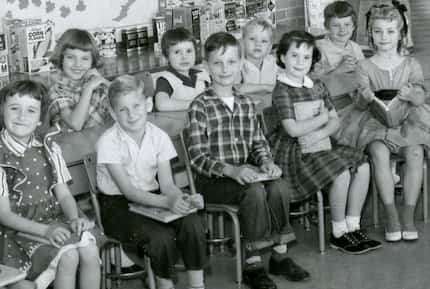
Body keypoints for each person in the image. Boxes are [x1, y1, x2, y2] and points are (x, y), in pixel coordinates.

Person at [187, 32, 310, 289]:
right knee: (254, 191)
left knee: (278, 186)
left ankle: (279, 256)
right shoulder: (200, 106)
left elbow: (257, 143)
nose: (224, 69)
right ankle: (253, 264)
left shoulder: (245, 103)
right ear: (207, 67)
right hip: (213, 180)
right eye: (217, 63)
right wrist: (231, 170)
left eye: (231, 62)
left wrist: (266, 162)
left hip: (246, 172)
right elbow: (198, 157)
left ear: (240, 64)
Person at [268, 30, 382, 255]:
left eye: (307, 57)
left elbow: (335, 121)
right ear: (282, 58)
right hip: (295, 152)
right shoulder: (282, 89)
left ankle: (353, 225)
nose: (301, 62)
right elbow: (292, 129)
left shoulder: (317, 85)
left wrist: (321, 133)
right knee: (341, 171)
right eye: (294, 56)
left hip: (321, 143)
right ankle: (338, 232)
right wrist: (321, 119)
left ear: (313, 60)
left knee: (363, 164)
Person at [96, 74, 207, 289]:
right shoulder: (108, 142)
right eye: (123, 109)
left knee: (192, 223)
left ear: (148, 104)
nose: (131, 114)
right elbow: (129, 192)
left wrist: (182, 199)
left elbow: (166, 184)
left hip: (154, 196)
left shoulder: (159, 136)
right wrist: (167, 202)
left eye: (136, 106)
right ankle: (165, 286)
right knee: (161, 237)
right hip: (117, 206)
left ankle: (198, 285)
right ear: (112, 112)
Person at [335, 5, 428, 242]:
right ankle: (391, 215)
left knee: (416, 153)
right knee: (378, 152)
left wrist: (410, 95)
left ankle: (407, 214)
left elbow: (420, 96)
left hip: (407, 121)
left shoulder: (411, 64)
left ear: (400, 34)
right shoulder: (364, 66)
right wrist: (364, 97)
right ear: (370, 34)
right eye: (378, 32)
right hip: (373, 123)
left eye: (390, 31)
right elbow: (357, 101)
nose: (384, 37)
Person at [0, 80, 101, 289]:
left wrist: (74, 218)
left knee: (90, 250)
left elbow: (63, 195)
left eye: (30, 110)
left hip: (53, 220)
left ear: (39, 119)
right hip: (15, 231)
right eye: (14, 108)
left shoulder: (48, 147)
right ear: (3, 111)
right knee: (69, 256)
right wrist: (45, 231)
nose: (21, 116)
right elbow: (5, 216)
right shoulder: (2, 156)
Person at [47, 28, 112, 131]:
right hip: (69, 145)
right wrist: (88, 89)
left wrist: (104, 81)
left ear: (92, 61)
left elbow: (124, 99)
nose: (78, 64)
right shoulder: (57, 91)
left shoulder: (94, 83)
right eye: (70, 57)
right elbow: (76, 124)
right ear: (61, 58)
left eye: (85, 59)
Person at [153, 27, 210, 111]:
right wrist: (195, 104)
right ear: (166, 56)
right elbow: (161, 105)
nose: (184, 57)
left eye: (189, 51)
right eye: (177, 52)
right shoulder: (165, 80)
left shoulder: (203, 74)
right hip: (179, 123)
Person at [312, 1, 364, 77]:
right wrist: (338, 70)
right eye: (336, 25)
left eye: (347, 24)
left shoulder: (356, 48)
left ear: (353, 26)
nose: (342, 30)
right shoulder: (317, 48)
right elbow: (311, 81)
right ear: (327, 27)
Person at [238, 18, 279, 95]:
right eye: (252, 39)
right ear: (243, 41)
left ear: (270, 46)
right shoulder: (238, 65)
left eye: (264, 41)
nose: (258, 44)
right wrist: (265, 87)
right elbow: (235, 88)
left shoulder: (274, 63)